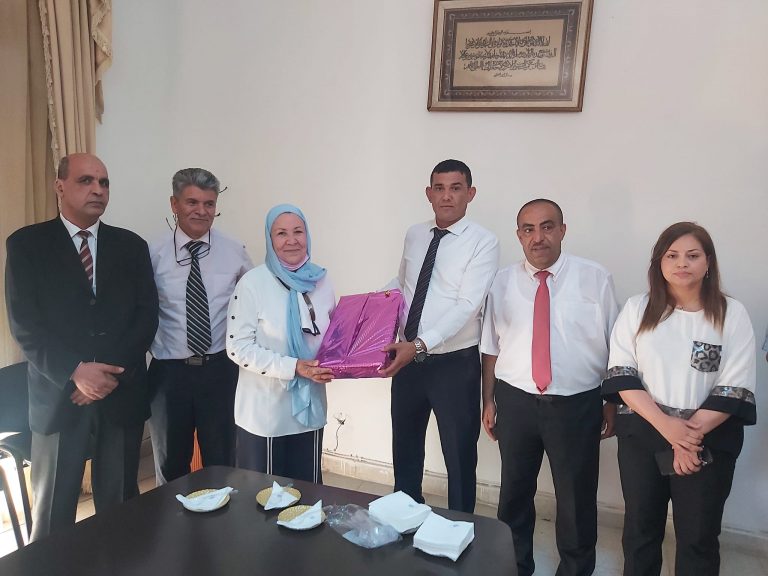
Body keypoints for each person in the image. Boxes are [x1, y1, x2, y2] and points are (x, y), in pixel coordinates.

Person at [4, 153, 158, 541]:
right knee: (53, 514)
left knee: (121, 510)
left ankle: (119, 565)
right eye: (86, 180)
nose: (98, 189)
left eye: (104, 182)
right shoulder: (27, 245)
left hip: (120, 393)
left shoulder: (131, 245)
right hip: (59, 395)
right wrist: (76, 372)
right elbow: (25, 325)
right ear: (60, 186)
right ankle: (50, 568)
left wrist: (106, 375)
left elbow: (145, 317)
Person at [603, 222, 756, 575]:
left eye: (692, 255)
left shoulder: (731, 314)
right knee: (640, 531)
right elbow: (622, 374)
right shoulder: (637, 308)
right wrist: (668, 427)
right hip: (644, 434)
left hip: (708, 440)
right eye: (672, 255)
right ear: (659, 262)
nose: (682, 263)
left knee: (698, 537)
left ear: (708, 262)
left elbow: (734, 385)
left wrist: (686, 439)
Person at [480, 198, 619, 576]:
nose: (537, 237)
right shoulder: (502, 282)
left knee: (576, 498)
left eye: (547, 227)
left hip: (577, 404)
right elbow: (491, 347)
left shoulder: (595, 278)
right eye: (528, 229)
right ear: (519, 235)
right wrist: (488, 400)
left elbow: (615, 346)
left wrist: (611, 402)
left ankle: (575, 570)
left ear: (562, 230)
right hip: (516, 401)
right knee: (514, 494)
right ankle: (513, 566)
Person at [380, 159, 499, 513]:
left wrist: (419, 344)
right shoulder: (415, 234)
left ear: (470, 194)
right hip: (407, 362)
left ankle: (460, 526)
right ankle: (404, 515)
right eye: (439, 188)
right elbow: (403, 284)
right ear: (429, 193)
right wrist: (367, 310)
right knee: (405, 447)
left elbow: (468, 305)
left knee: (459, 454)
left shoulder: (483, 242)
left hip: (454, 365)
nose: (447, 196)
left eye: (456, 188)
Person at [147, 168, 252, 485]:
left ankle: (221, 516)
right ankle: (172, 517)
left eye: (209, 204)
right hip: (169, 374)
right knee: (170, 465)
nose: (201, 211)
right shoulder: (152, 254)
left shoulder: (234, 251)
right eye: (192, 202)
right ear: (174, 204)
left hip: (219, 371)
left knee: (222, 463)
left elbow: (253, 305)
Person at [226, 204, 334, 483]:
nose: (291, 240)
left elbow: (332, 337)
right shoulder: (253, 283)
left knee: (307, 493)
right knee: (264, 497)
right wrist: (294, 366)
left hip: (309, 408)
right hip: (265, 412)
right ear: (269, 238)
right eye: (281, 233)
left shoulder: (321, 281)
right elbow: (238, 347)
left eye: (298, 231)